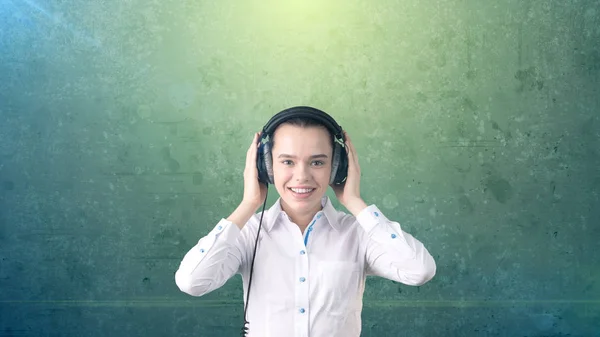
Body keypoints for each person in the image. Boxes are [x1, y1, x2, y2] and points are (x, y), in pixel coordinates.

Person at [174, 106, 436, 337]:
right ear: (265, 166)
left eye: (317, 162)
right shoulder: (248, 232)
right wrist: (248, 205)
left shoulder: (358, 234)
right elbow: (192, 282)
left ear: (337, 167)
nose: (302, 176)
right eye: (287, 161)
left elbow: (419, 271)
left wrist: (355, 202)